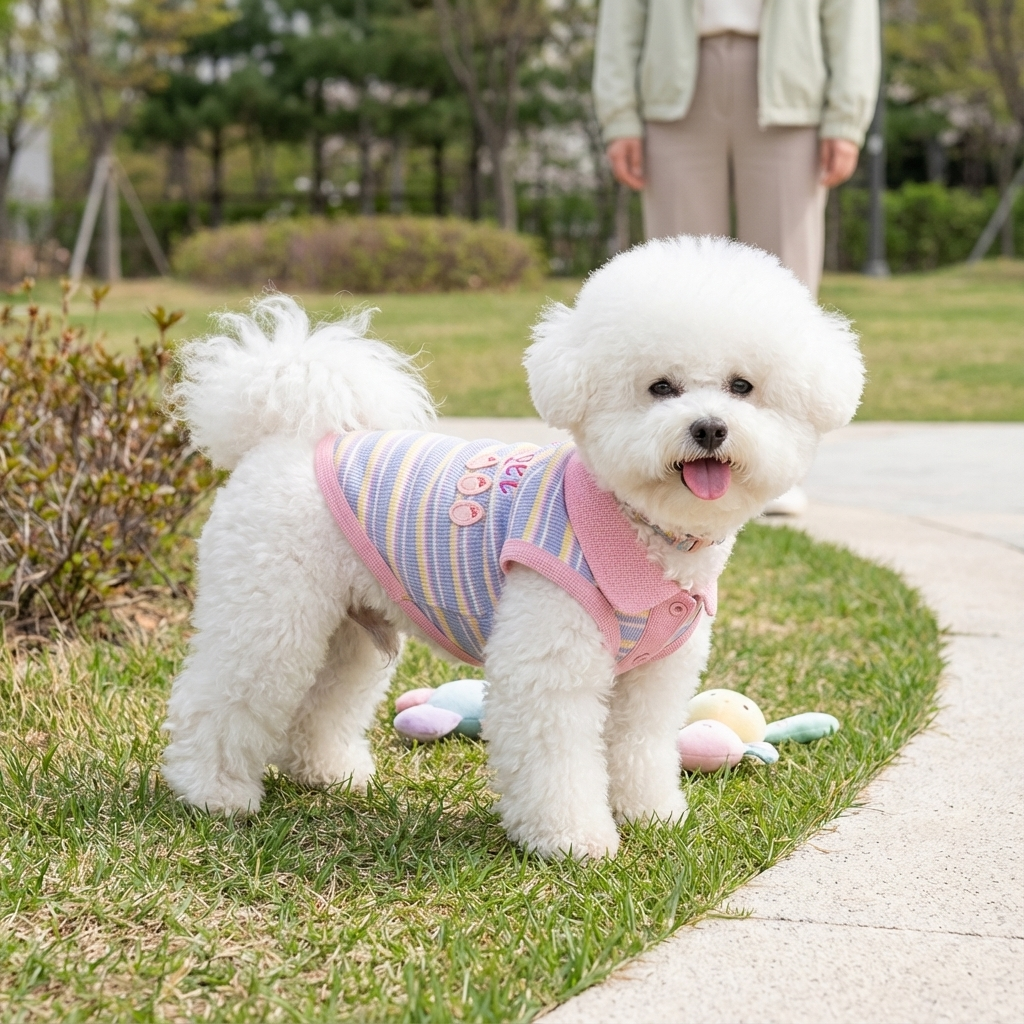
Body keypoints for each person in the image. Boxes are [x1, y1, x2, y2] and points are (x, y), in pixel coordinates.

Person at [594, 0, 880, 300]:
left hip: (791, 83)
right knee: (680, 283)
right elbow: (622, 12)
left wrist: (847, 114)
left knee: (785, 285)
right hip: (672, 80)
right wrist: (619, 115)